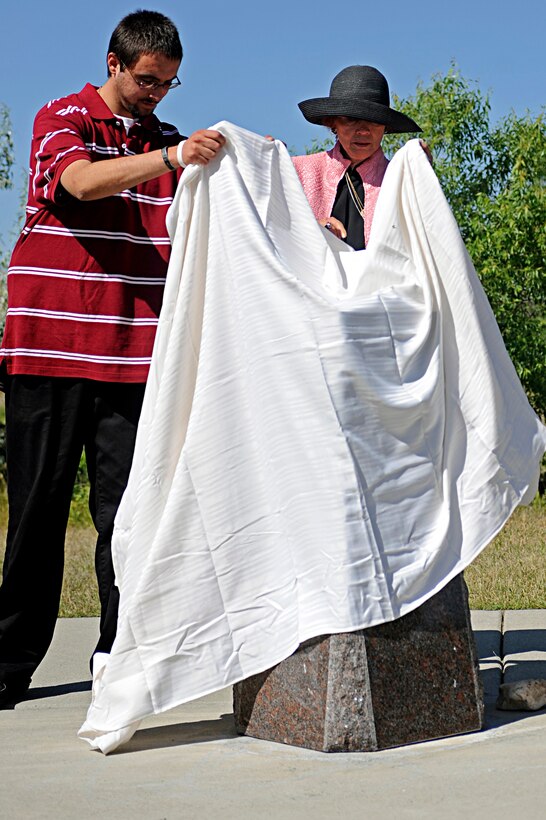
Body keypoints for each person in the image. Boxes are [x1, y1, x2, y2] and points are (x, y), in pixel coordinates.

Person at [0, 9, 225, 708]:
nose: (158, 94)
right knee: (36, 511)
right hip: (49, 350)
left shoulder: (167, 142)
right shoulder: (61, 116)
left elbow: (225, 208)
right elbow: (78, 184)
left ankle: (118, 658)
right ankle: (9, 663)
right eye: (149, 80)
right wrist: (170, 158)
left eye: (169, 84)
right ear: (114, 62)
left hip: (133, 360)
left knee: (127, 519)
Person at [292, 65, 424, 250]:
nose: (363, 130)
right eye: (351, 119)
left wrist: (423, 178)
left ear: (385, 127)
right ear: (333, 122)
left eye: (374, 120)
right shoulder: (296, 172)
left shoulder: (402, 182)